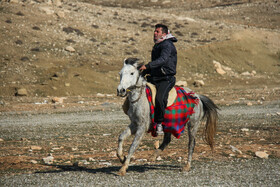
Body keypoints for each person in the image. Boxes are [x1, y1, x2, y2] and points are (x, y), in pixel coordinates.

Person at [140, 24, 177, 135]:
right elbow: (156, 65)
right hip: (155, 77)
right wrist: (143, 72)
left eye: (157, 31)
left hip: (166, 78)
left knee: (160, 98)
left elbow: (163, 60)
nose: (155, 33)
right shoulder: (157, 45)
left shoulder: (167, 45)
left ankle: (159, 123)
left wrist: (148, 66)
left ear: (164, 34)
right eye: (154, 31)